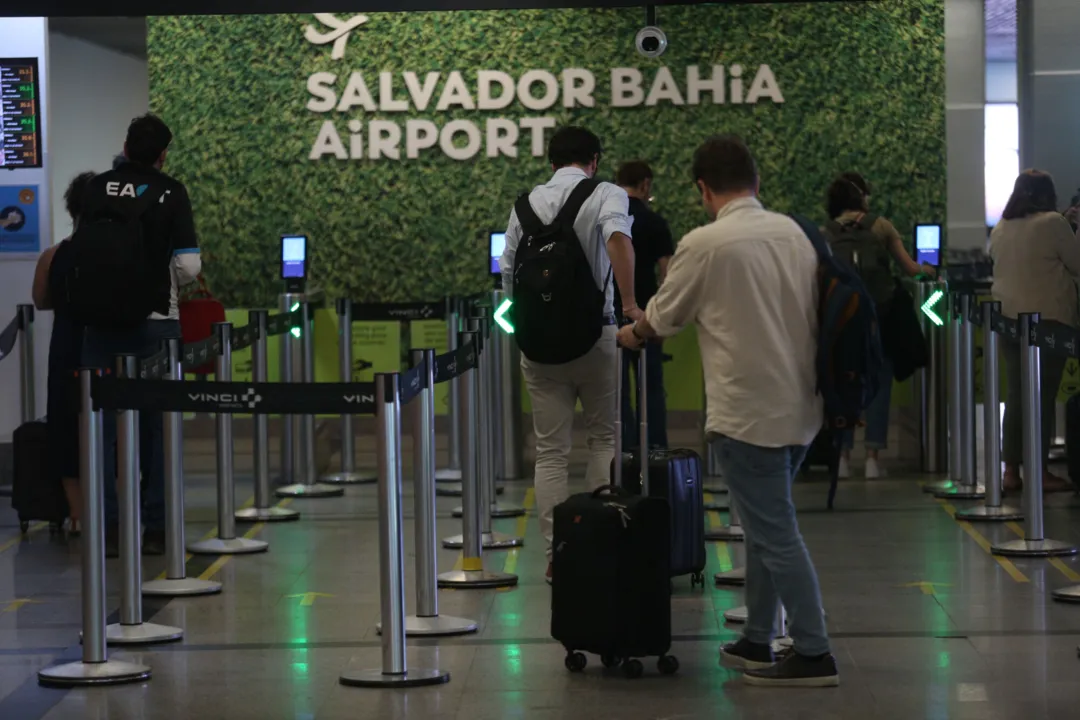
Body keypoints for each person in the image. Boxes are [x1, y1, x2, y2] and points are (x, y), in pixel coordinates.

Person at [617, 134, 837, 687]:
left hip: (747, 412)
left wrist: (631, 330)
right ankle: (757, 640)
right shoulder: (796, 234)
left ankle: (814, 651)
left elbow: (663, 317)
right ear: (757, 183)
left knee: (776, 532)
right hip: (802, 407)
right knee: (766, 526)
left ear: (702, 188)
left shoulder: (706, 243)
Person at [500, 126, 637, 584]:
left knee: (550, 453)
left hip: (539, 346)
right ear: (594, 160)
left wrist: (524, 326)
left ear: (550, 162)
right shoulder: (607, 193)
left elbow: (507, 275)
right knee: (602, 439)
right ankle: (600, 542)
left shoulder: (524, 206)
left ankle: (558, 555)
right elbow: (618, 239)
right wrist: (632, 306)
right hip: (597, 337)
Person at [79, 114, 201, 556]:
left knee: (101, 430)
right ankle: (156, 529)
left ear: (126, 147)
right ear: (163, 153)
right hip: (156, 323)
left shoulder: (96, 188)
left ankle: (108, 528)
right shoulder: (171, 192)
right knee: (159, 429)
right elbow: (189, 267)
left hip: (98, 324)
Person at [824, 173, 936, 479]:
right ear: (862, 197)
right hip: (879, 320)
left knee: (844, 386)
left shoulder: (826, 234)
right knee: (878, 385)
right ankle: (873, 458)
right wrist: (930, 270)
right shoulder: (881, 226)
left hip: (842, 324)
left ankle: (843, 457)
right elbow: (910, 268)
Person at [989, 169, 1080, 494]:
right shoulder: (1053, 223)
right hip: (1048, 322)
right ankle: (1039, 472)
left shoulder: (1001, 226)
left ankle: (1011, 471)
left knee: (1016, 396)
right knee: (1041, 397)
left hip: (1009, 321)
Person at [31, 171, 96, 535]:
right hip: (104, 347)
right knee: (112, 427)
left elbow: (41, 300)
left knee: (65, 429)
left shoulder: (53, 255)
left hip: (66, 347)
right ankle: (111, 511)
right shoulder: (115, 256)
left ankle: (77, 516)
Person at [613, 160, 674, 450]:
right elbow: (668, 275)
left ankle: (623, 454)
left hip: (611, 316)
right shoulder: (655, 222)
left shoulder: (608, 221)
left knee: (619, 391)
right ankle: (655, 453)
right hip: (647, 317)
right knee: (651, 388)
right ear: (645, 184)